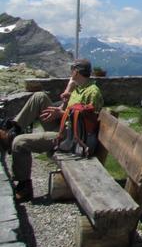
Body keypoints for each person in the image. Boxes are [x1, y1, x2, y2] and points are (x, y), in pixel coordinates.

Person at [0, 59, 103, 202]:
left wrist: (61, 114)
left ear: (76, 72)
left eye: (71, 70)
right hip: (63, 125)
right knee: (39, 97)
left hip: (71, 137)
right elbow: (68, 109)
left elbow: (88, 123)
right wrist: (63, 103)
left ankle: (24, 186)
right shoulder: (77, 87)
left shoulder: (93, 92)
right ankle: (13, 129)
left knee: (19, 142)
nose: (70, 73)